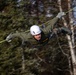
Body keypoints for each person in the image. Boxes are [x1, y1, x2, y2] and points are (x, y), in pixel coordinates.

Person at [6, 12, 71, 48]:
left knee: (53, 32)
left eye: (39, 34)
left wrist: (58, 16)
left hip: (46, 38)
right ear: (33, 35)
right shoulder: (27, 37)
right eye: (36, 35)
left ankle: (62, 30)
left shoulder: (45, 31)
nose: (38, 36)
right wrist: (10, 36)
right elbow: (18, 34)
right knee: (27, 43)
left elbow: (51, 24)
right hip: (39, 44)